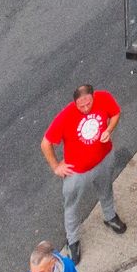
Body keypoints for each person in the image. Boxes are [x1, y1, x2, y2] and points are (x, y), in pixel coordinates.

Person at [43, 83, 129, 261]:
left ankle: (110, 216)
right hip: (77, 172)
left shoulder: (104, 97)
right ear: (74, 103)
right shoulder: (66, 115)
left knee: (106, 189)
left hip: (104, 159)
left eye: (88, 104)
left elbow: (115, 114)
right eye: (80, 106)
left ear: (93, 97)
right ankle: (72, 240)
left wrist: (108, 129)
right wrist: (56, 166)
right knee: (72, 204)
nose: (85, 108)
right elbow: (46, 143)